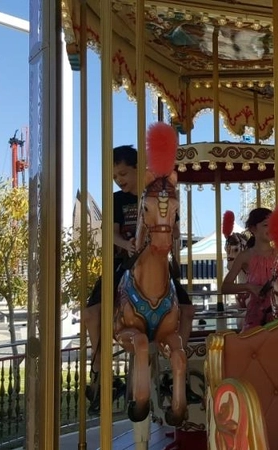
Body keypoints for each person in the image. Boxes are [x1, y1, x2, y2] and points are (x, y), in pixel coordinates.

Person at [82, 144, 195, 413]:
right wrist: (126, 243)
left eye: (123, 174)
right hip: (125, 262)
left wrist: (173, 231)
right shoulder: (117, 200)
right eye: (114, 176)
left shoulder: (158, 197)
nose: (119, 180)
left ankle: (179, 368)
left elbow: (174, 226)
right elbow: (111, 234)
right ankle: (100, 370)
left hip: (157, 261)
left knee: (188, 308)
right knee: (91, 312)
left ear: (138, 171)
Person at [221, 208, 276, 332]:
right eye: (266, 225)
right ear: (253, 229)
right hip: (256, 315)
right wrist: (249, 287)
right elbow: (225, 287)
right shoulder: (245, 256)